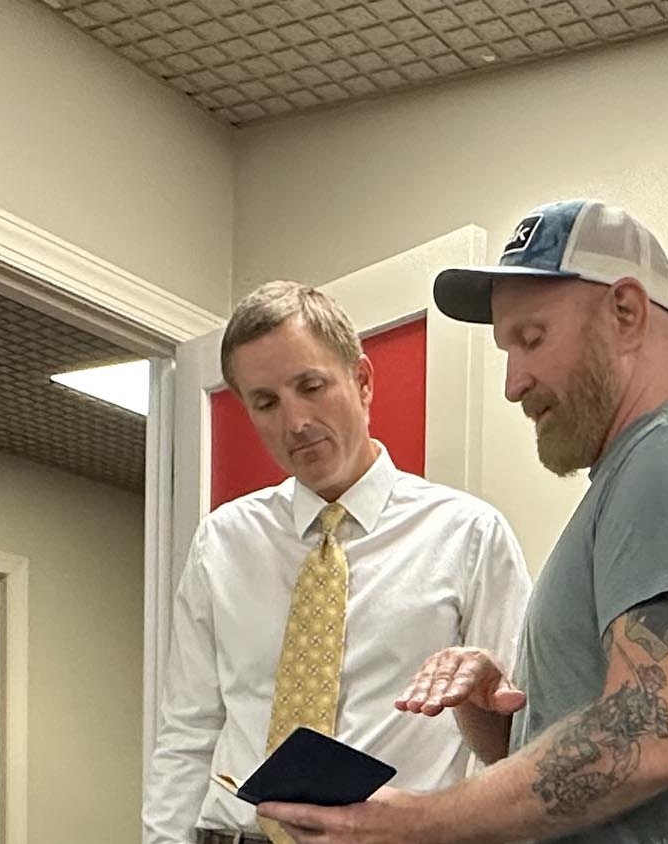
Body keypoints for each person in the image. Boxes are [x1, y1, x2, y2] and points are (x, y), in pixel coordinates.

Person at [259, 199, 668, 843]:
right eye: (506, 349)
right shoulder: (631, 480)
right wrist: (498, 723)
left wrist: (412, 823)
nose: (513, 383)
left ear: (626, 313)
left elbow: (653, 734)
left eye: (533, 339)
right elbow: (602, 767)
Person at [144, 281, 532, 844]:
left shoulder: (469, 534)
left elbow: (510, 742)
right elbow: (188, 731)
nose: (295, 422)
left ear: (363, 381)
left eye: (311, 386)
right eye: (266, 402)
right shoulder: (223, 542)